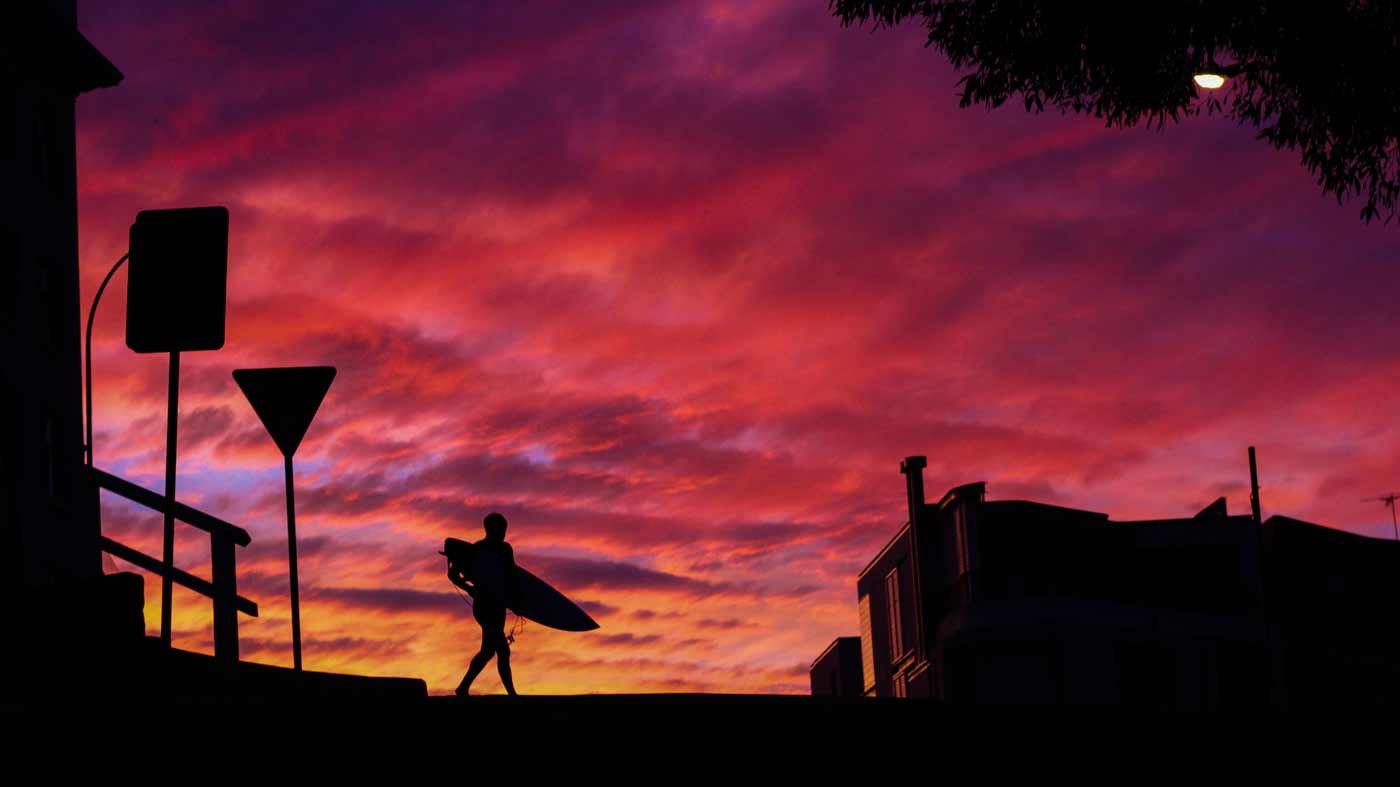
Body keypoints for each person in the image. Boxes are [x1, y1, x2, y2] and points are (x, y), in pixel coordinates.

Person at [450, 511, 518, 696]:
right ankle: (512, 694)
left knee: (488, 651)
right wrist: (469, 589)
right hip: (484, 605)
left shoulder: (505, 549)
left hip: (498, 605)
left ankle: (463, 687)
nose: (503, 533)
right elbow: (453, 574)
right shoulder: (476, 550)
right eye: (501, 529)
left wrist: (518, 602)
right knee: (502, 650)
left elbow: (511, 577)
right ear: (491, 529)